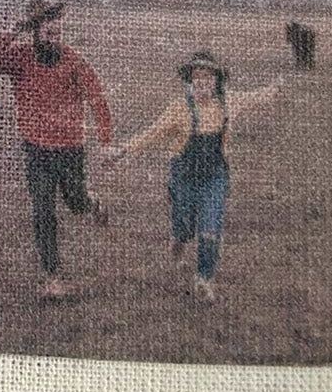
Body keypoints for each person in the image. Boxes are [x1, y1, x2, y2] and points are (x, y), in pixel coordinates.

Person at [0, 0, 115, 304]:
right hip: (36, 150)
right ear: (35, 29)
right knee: (43, 211)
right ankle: (53, 278)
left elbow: (97, 100)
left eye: (57, 22)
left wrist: (105, 142)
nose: (54, 27)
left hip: (70, 149)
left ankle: (91, 202)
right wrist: (13, 32)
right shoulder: (20, 57)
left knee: (75, 202)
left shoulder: (74, 61)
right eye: (47, 22)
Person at [115, 50, 283, 301]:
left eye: (208, 76)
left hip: (214, 177)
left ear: (217, 80)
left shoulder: (228, 102)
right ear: (190, 80)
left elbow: (255, 98)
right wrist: (122, 150)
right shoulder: (179, 109)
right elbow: (152, 133)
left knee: (210, 228)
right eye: (197, 77)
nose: (202, 82)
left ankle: (204, 279)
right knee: (184, 225)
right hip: (183, 177)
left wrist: (275, 89)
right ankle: (178, 242)